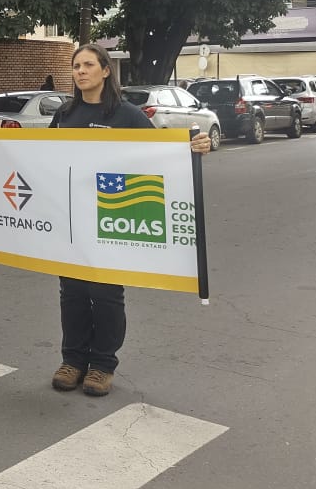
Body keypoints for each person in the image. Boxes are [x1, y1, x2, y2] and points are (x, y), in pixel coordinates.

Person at [46, 44, 211, 397]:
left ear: (106, 70)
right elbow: (40, 156)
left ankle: (102, 365)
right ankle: (72, 361)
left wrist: (192, 147)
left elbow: (160, 154)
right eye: (76, 66)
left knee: (105, 293)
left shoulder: (128, 115)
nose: (81, 71)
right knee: (72, 292)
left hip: (113, 213)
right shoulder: (65, 114)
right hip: (72, 218)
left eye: (89, 64)